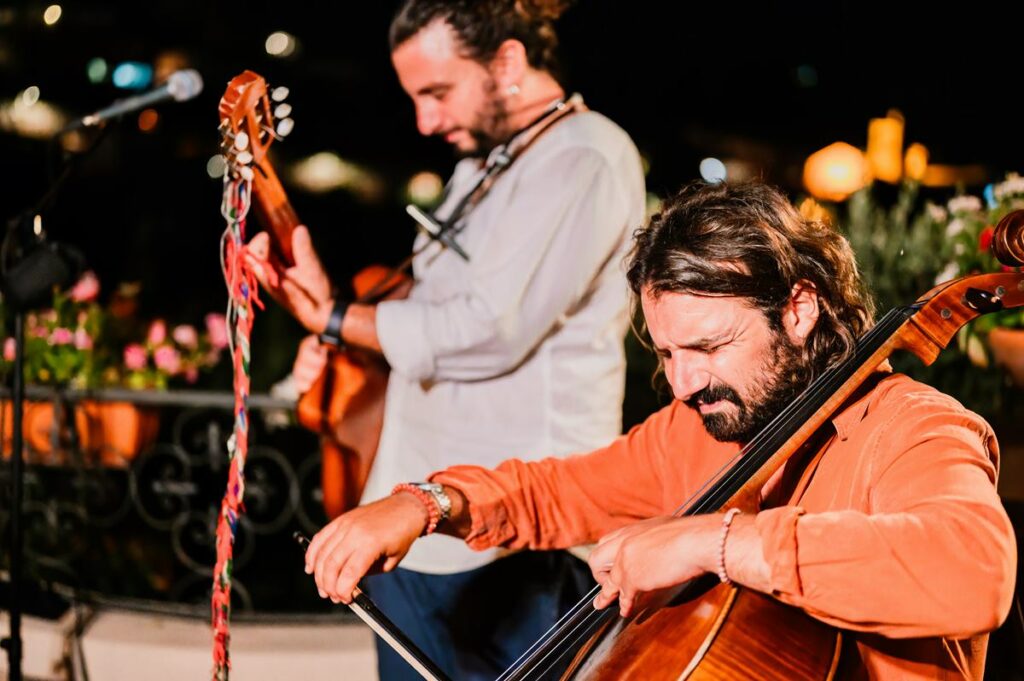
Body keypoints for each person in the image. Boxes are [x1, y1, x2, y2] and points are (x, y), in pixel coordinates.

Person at [302, 181, 1017, 679]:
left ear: (799, 309)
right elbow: (550, 493)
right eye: (667, 353)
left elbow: (973, 569)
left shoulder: (915, 427)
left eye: (707, 347)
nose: (683, 382)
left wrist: (711, 540)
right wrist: (426, 502)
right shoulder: (698, 428)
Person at [248, 0, 646, 678]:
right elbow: (431, 311)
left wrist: (338, 320)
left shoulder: (586, 154)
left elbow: (488, 330)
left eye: (436, 92)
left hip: (515, 538)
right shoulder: (483, 164)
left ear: (508, 63)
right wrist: (339, 323)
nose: (425, 121)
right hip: (413, 526)